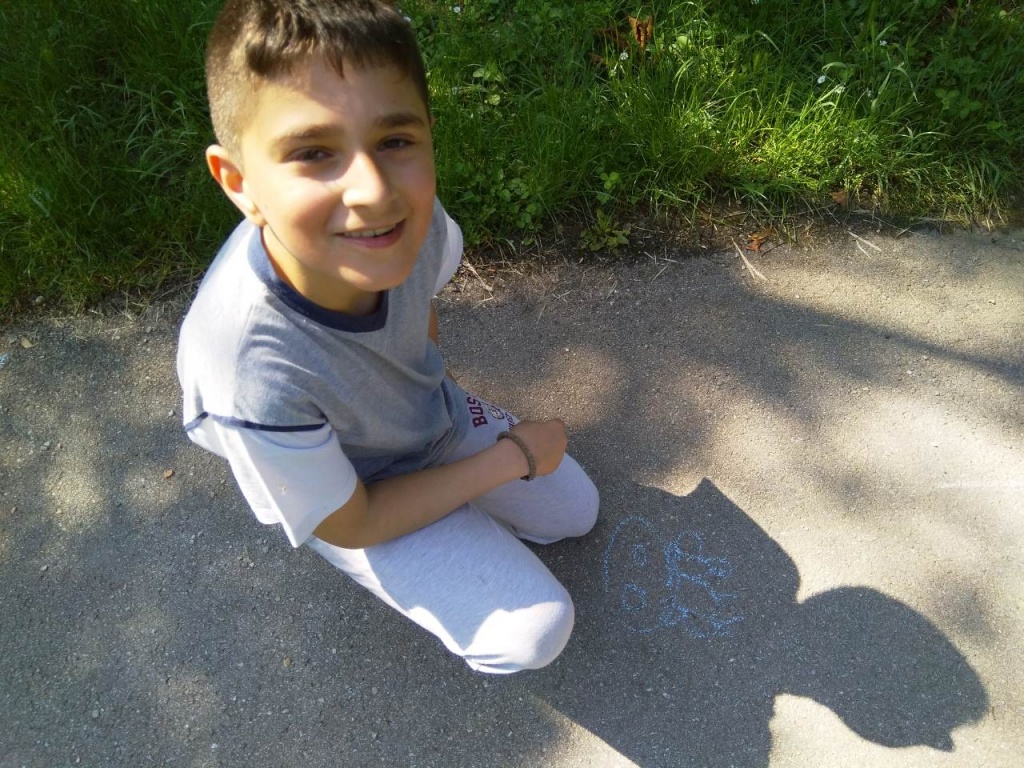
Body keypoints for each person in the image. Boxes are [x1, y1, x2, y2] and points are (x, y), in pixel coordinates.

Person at [176, 0, 599, 674]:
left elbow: (419, 308)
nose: (372, 192)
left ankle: (451, 485)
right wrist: (511, 455)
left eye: (395, 140)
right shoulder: (248, 374)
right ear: (239, 182)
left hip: (423, 419)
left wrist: (444, 395)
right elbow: (354, 520)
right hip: (352, 486)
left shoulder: (408, 224)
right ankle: (404, 525)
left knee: (576, 511)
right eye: (314, 153)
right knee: (535, 631)